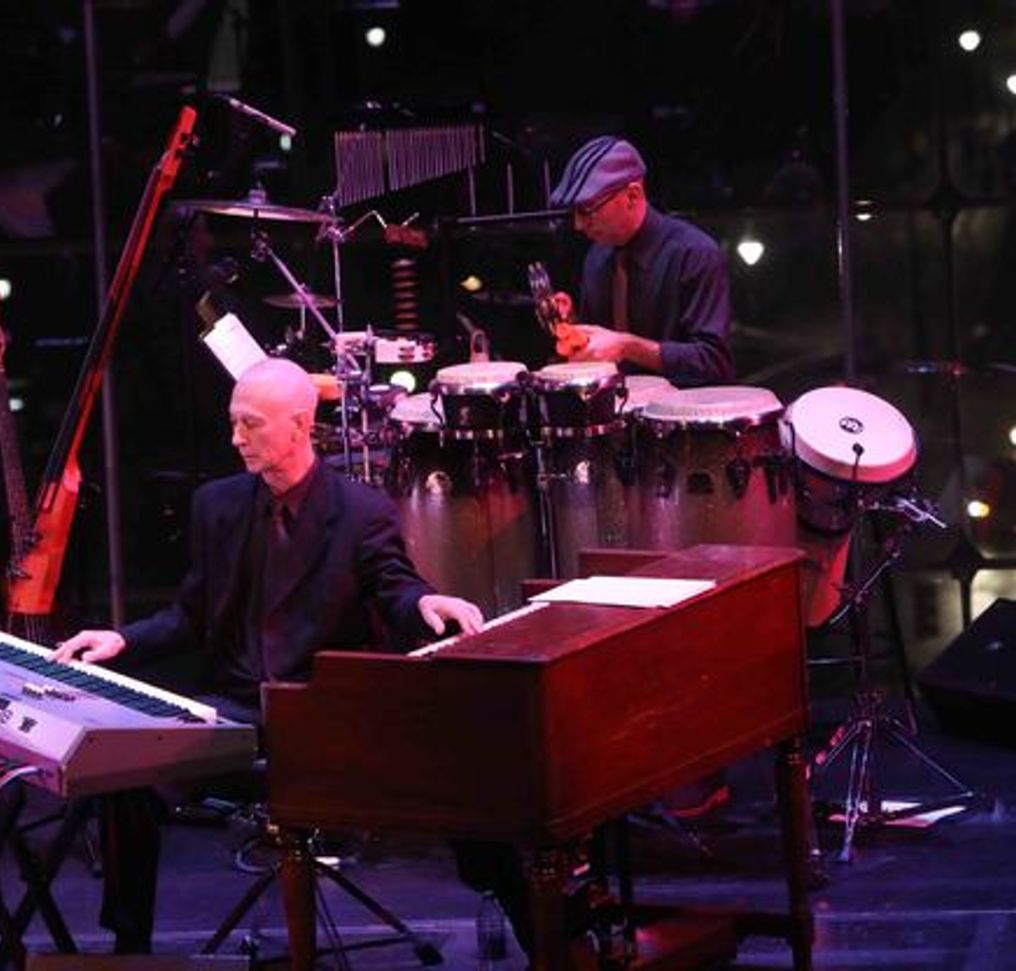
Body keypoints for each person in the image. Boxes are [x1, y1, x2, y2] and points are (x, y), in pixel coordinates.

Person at [51, 356, 485, 953]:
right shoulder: (218, 506)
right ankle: (130, 947)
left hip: (320, 717)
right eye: (233, 423)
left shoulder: (359, 514)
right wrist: (124, 639)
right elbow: (191, 616)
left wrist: (426, 604)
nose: (235, 438)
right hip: (234, 712)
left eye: (250, 424)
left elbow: (395, 586)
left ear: (301, 425)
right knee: (123, 770)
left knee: (463, 768)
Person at [548, 135, 734, 387]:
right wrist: (572, 327)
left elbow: (713, 363)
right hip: (614, 412)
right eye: (574, 213)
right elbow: (601, 348)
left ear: (632, 196)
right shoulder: (597, 256)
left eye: (587, 211)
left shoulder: (695, 254)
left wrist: (628, 346)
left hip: (679, 417)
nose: (579, 226)